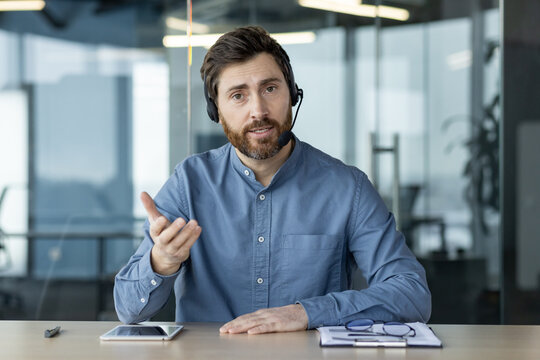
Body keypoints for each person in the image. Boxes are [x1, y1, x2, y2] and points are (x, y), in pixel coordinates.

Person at [114, 25, 431, 334]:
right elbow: (128, 309)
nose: (258, 110)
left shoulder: (348, 188)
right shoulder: (189, 183)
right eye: (238, 96)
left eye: (270, 88)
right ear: (217, 111)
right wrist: (160, 262)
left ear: (292, 94)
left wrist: (307, 313)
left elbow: (412, 295)